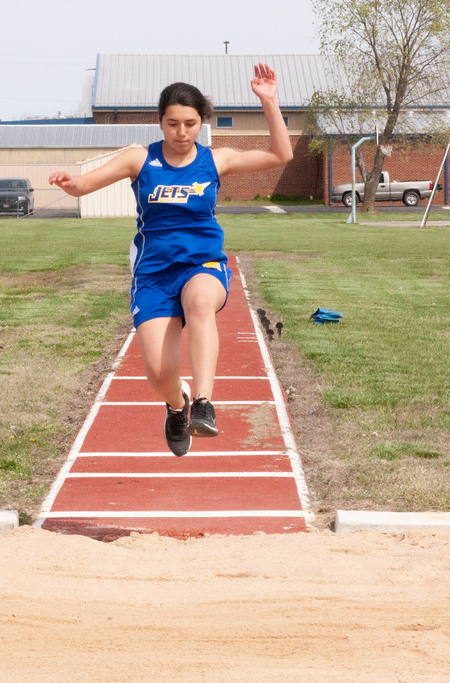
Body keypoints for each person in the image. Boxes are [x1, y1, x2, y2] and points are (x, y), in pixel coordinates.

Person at [47, 63, 293, 456]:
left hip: (203, 265)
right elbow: (84, 185)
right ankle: (177, 404)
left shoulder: (216, 160)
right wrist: (68, 182)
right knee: (159, 374)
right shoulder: (139, 159)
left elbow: (281, 153)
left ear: (201, 124)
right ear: (160, 123)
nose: (182, 132)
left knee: (199, 303)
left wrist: (268, 101)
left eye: (190, 124)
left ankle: (203, 403)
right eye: (173, 123)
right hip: (154, 274)